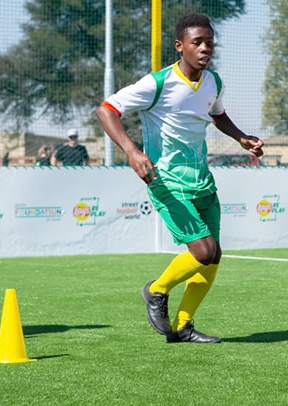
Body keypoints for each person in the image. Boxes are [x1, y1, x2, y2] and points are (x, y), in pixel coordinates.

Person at [96, 13, 264, 344]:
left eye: (209, 43)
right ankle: (156, 290)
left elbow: (217, 114)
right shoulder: (157, 83)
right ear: (179, 46)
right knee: (203, 251)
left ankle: (184, 326)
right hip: (166, 181)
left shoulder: (213, 82)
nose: (205, 48)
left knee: (213, 255)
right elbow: (106, 110)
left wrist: (242, 138)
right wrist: (132, 152)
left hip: (201, 179)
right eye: (197, 42)